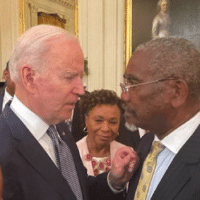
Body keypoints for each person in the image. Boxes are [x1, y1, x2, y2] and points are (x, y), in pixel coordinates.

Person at [0, 25, 138, 200]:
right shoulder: (4, 143)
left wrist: (113, 180)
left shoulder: (59, 130)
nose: (81, 90)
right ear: (29, 78)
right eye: (69, 77)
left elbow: (75, 190)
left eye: (81, 77)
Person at [120, 37, 200, 200]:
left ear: (176, 92)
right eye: (125, 84)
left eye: (133, 84)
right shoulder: (146, 144)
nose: (124, 96)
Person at [77, 89, 130, 176]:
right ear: (86, 120)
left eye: (113, 122)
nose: (105, 129)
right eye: (98, 120)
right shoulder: (71, 154)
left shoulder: (126, 154)